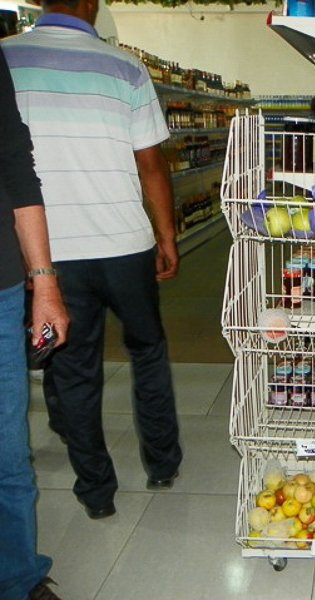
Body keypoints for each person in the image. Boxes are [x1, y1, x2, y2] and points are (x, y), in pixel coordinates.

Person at [3, 0, 183, 520]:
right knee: (148, 351)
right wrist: (166, 236)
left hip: (49, 254)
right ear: (93, 5)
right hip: (125, 243)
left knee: (73, 370)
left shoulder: (7, 58)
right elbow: (151, 164)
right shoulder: (125, 66)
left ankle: (96, 491)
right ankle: (162, 463)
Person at [1, 45, 70, 600]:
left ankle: (19, 579)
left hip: (0, 286)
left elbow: (15, 165)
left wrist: (44, 282)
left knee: (7, 449)